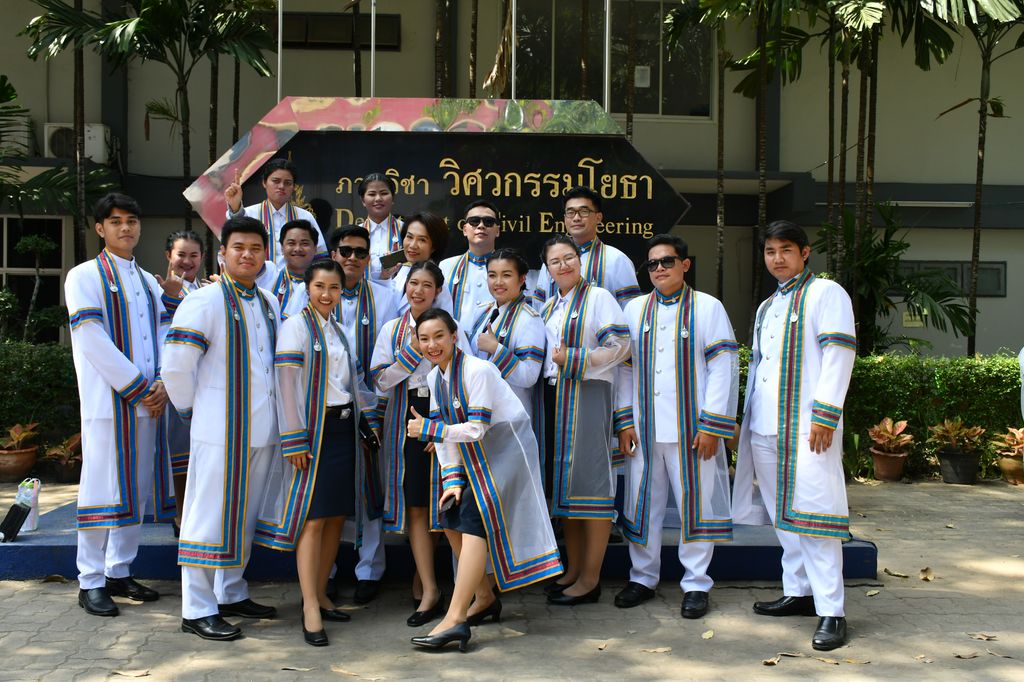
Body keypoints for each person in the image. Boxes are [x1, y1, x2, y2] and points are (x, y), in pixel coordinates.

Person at [732, 220, 857, 652]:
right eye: (770, 251)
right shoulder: (767, 305)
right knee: (782, 516)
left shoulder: (826, 293)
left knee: (815, 516)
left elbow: (839, 353)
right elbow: (761, 367)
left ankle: (832, 611)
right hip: (765, 426)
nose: (777, 258)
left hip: (807, 427)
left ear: (805, 253)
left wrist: (826, 414)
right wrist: (744, 420)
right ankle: (799, 592)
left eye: (786, 249)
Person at [405, 309, 562, 652]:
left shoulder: (478, 370)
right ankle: (485, 597)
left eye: (439, 336)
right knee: (450, 514)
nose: (432, 344)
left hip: (507, 448)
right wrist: (452, 481)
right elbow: (445, 438)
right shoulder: (434, 378)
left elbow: (475, 429)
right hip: (476, 454)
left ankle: (455, 619)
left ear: (454, 337)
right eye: (424, 338)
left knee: (475, 522)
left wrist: (429, 429)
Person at [162, 216, 283, 641]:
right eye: (239, 248)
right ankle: (196, 608)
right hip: (219, 430)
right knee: (206, 517)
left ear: (265, 255)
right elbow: (176, 367)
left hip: (261, 430)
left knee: (243, 516)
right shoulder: (204, 301)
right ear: (223, 254)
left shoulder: (268, 301)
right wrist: (194, 411)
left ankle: (230, 591)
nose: (247, 255)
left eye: (255, 248)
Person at [614, 235, 738, 619]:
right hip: (644, 428)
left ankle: (696, 584)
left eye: (667, 261)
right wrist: (624, 420)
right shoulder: (634, 310)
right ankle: (642, 578)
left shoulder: (708, 307)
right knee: (642, 505)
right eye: (652, 263)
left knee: (694, 506)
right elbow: (624, 369)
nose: (659, 269)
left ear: (685, 265)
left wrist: (712, 425)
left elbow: (723, 367)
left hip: (693, 430)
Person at [258, 259, 378, 647]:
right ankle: (309, 605)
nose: (327, 294)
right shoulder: (295, 326)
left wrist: (369, 418)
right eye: (319, 287)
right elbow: (286, 384)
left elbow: (353, 382)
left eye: (334, 288)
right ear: (307, 288)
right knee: (312, 519)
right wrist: (294, 436)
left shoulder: (339, 330)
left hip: (343, 430)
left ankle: (323, 594)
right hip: (314, 431)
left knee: (335, 517)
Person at [65, 192, 174, 617]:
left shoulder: (147, 280)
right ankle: (90, 579)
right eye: (115, 221)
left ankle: (119, 570)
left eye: (131, 220)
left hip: (148, 402)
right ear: (100, 228)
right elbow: (92, 339)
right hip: (110, 403)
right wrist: (138, 386)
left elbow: (165, 334)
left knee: (136, 489)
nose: (125, 227)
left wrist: (162, 381)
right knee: (101, 488)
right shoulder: (83, 276)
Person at [369, 262, 469, 627]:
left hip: (445, 417)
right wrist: (412, 351)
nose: (419, 290)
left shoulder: (451, 327)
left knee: (449, 505)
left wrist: (443, 427)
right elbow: (380, 380)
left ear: (438, 291)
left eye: (427, 285)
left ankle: (466, 588)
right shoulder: (392, 330)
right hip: (408, 419)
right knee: (415, 506)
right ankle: (429, 589)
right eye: (413, 283)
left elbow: (464, 374)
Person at [539, 235, 631, 605]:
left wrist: (575, 358)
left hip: (588, 394)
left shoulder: (599, 297)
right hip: (555, 397)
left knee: (591, 488)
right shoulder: (549, 305)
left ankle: (591, 579)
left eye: (569, 257)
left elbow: (620, 347)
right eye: (555, 261)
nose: (563, 265)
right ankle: (573, 570)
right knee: (567, 489)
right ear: (547, 269)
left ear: (581, 260)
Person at [329, 224, 401, 604]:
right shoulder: (315, 293)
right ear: (334, 255)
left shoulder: (387, 297)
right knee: (328, 489)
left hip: (373, 405)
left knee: (371, 485)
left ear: (369, 258)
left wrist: (376, 404)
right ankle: (325, 571)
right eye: (345, 251)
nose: (352, 258)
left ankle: (370, 569)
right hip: (327, 406)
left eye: (360, 252)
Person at [468, 249, 546, 471]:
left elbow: (529, 376)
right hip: (479, 413)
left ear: (522, 279)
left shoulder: (530, 319)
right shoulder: (484, 312)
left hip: (511, 417)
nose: (498, 282)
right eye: (492, 275)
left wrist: (497, 349)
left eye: (506, 275)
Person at [158, 230, 206, 534]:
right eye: (181, 255)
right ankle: (180, 516)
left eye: (193, 255)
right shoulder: (156, 289)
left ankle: (199, 514)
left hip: (207, 384)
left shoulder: (209, 289)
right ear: (168, 256)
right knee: (181, 453)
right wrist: (170, 298)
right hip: (176, 384)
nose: (187, 261)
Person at [533, 186, 641, 311]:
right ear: (565, 218)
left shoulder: (617, 260)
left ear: (598, 217)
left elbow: (631, 311)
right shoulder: (551, 260)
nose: (576, 218)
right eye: (570, 212)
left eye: (584, 211)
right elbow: (539, 307)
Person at [223, 158, 328, 267]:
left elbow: (320, 256)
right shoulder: (248, 214)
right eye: (276, 181)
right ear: (264, 183)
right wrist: (235, 207)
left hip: (296, 277)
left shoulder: (304, 217)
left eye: (287, 183)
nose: (281, 186)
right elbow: (234, 241)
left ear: (293, 187)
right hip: (256, 277)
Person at [439, 200, 500, 333]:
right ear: (465, 229)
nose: (481, 226)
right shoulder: (446, 267)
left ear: (497, 231)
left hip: (494, 342)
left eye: (488, 222)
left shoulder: (508, 268)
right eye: (474, 221)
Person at [391, 212, 454, 316]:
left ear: (434, 247)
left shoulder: (437, 281)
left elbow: (445, 321)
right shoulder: (403, 270)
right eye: (409, 237)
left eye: (422, 240)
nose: (413, 245)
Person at [357, 173, 404, 281]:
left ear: (393, 198)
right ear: (363, 200)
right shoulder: (356, 233)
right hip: (362, 291)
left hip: (398, 291)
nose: (378, 198)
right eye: (372, 194)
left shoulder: (405, 230)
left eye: (384, 193)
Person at [272, 219, 318, 320]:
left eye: (304, 243)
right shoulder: (269, 277)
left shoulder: (324, 285)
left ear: (315, 249)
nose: (297, 249)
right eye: (291, 243)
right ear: (282, 248)